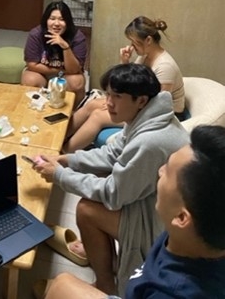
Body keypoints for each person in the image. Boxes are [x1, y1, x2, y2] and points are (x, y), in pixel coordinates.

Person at [34, 63, 189, 296]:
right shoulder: (147, 117)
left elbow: (113, 194)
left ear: (141, 100)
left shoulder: (150, 141)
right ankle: (107, 260)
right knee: (95, 187)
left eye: (117, 96)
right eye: (108, 94)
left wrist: (59, 176)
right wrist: (67, 160)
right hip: (152, 200)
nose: (108, 102)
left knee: (87, 210)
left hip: (160, 223)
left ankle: (105, 286)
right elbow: (112, 153)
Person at [34, 125, 225, 299]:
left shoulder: (172, 291)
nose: (159, 171)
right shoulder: (185, 236)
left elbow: (113, 193)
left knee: (62, 286)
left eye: (167, 171)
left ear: (181, 217)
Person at [64, 16, 186, 151]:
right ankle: (59, 138)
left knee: (98, 116)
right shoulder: (145, 56)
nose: (131, 46)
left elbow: (157, 105)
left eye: (134, 42)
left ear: (148, 40)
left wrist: (117, 105)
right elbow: (130, 83)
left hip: (158, 115)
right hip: (139, 104)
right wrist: (125, 62)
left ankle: (63, 152)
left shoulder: (165, 66)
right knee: (92, 105)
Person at [21, 1, 86, 102]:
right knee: (29, 80)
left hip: (67, 75)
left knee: (76, 82)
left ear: (68, 22)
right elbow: (32, 65)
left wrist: (65, 47)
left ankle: (72, 110)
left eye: (62, 19)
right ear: (46, 20)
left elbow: (74, 70)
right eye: (52, 19)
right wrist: (60, 71)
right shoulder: (36, 34)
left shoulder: (77, 36)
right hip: (42, 72)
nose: (56, 24)